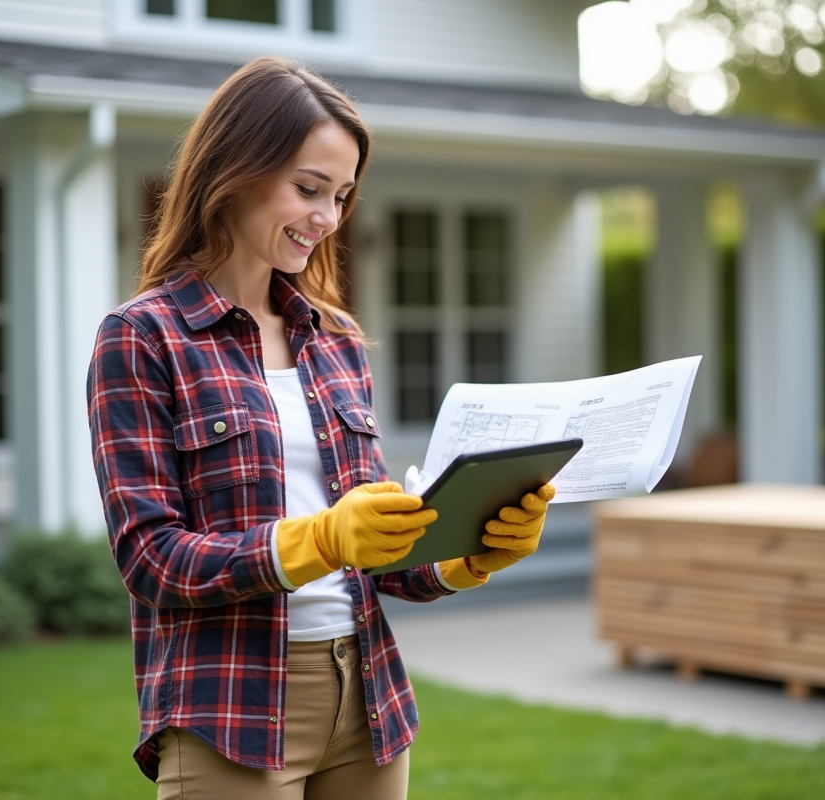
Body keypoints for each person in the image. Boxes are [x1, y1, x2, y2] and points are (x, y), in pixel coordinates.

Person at [87, 56, 555, 800]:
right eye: (307, 189)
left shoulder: (334, 339)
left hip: (368, 699)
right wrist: (323, 538)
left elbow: (376, 550)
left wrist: (469, 553)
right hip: (231, 709)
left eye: (340, 196)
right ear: (233, 172)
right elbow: (152, 561)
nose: (328, 218)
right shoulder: (143, 337)